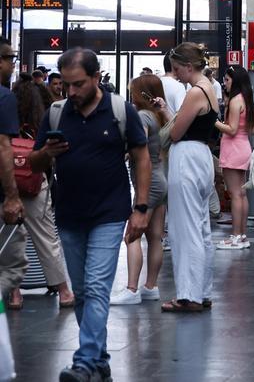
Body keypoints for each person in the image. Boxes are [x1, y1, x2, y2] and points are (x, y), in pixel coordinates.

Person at [29, 48, 150, 382]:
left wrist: (141, 208)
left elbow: (142, 158)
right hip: (69, 214)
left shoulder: (120, 111)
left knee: (96, 287)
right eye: (66, 84)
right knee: (81, 292)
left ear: (96, 77)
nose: (71, 91)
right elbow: (35, 164)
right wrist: (46, 152)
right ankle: (99, 360)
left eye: (78, 84)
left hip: (109, 213)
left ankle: (83, 361)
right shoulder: (56, 114)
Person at [161, 43, 219, 313]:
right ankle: (202, 291)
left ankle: (188, 295)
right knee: (201, 228)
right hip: (202, 156)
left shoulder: (195, 92)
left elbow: (175, 133)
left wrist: (170, 119)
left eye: (177, 68)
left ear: (188, 66)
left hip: (186, 157)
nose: (175, 74)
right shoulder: (209, 88)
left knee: (185, 229)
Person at [9, 66, 72, 309]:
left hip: (7, 184)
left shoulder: (6, 116)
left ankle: (14, 294)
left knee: (10, 239)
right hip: (34, 183)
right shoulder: (43, 119)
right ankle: (64, 291)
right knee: (46, 238)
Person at [110, 75, 168, 307]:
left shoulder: (142, 116)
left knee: (131, 235)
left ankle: (132, 289)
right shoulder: (158, 115)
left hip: (149, 182)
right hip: (161, 179)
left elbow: (139, 143)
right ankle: (150, 287)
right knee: (155, 237)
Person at [211, 64, 254, 251]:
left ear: (235, 81)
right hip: (243, 146)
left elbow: (232, 129)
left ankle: (236, 236)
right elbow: (252, 128)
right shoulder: (247, 99)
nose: (225, 83)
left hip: (233, 148)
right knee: (241, 193)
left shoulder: (236, 101)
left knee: (235, 194)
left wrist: (214, 121)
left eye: (227, 80)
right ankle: (241, 235)